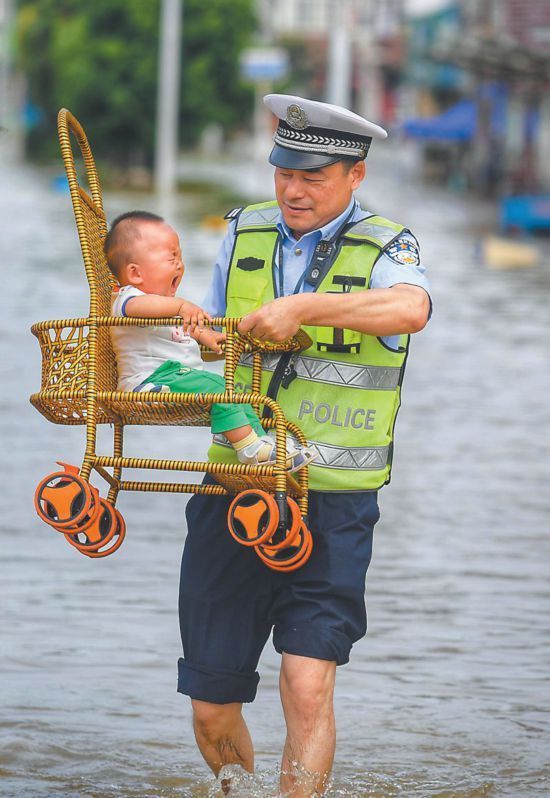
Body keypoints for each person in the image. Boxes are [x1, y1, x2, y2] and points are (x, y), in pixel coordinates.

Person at [178, 95, 432, 797]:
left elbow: (411, 309)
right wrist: (169, 329)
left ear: (355, 174)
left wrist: (304, 307)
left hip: (335, 503)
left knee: (307, 681)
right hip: (232, 491)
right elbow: (214, 341)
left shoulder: (390, 246)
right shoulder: (244, 231)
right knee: (210, 706)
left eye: (313, 176)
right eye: (283, 170)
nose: (292, 188)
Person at [104, 211, 315, 470]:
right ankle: (249, 448)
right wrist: (180, 306)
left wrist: (209, 335)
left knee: (236, 393)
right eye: (170, 257)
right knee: (220, 388)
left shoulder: (166, 307)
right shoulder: (129, 298)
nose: (180, 264)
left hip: (176, 378)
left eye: (180, 256)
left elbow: (188, 327)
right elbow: (140, 308)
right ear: (135, 274)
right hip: (148, 384)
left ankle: (262, 443)